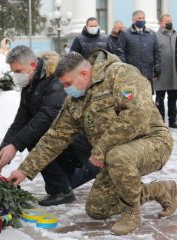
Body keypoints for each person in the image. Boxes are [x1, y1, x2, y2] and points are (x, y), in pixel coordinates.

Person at [9, 49, 176, 235]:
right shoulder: (75, 99)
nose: (66, 89)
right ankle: (160, 189)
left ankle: (131, 213)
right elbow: (56, 136)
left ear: (84, 74)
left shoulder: (121, 74)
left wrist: (101, 149)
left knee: (118, 155)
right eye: (63, 85)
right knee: (98, 209)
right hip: (114, 154)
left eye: (68, 84)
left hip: (152, 142)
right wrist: (25, 170)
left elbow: (137, 115)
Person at [0, 45, 99, 206]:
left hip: (75, 142)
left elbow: (46, 117)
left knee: (36, 136)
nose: (16, 76)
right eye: (13, 72)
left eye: (18, 71)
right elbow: (19, 122)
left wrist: (16, 145)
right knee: (32, 136)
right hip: (60, 144)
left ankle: (62, 190)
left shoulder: (55, 79)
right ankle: (63, 184)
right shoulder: (30, 85)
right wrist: (3, 154)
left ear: (32, 65)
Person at [117, 10, 161, 88]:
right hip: (131, 73)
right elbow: (120, 51)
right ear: (133, 20)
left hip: (148, 72)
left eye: (143, 18)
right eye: (139, 18)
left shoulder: (151, 34)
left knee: (146, 96)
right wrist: (125, 67)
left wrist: (157, 67)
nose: (141, 20)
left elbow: (156, 51)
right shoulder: (125, 34)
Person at [153, 14, 177, 128]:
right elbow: (153, 53)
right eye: (167, 21)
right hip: (161, 73)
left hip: (174, 73)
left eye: (170, 21)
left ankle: (173, 120)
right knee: (160, 99)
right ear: (161, 23)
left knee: (173, 99)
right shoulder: (155, 36)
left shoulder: (175, 35)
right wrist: (155, 70)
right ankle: (160, 121)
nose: (169, 23)